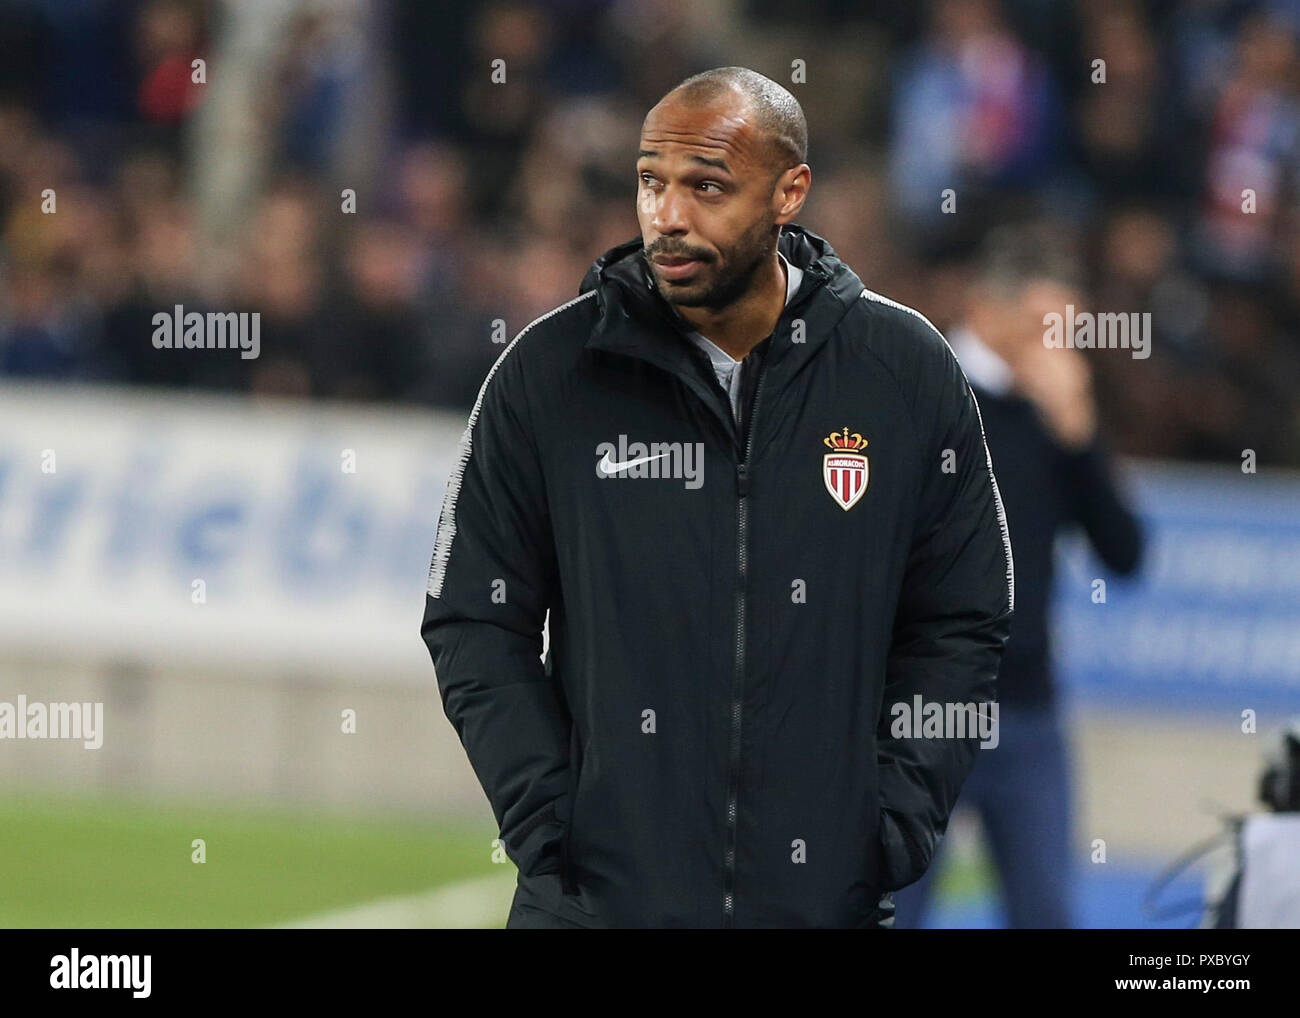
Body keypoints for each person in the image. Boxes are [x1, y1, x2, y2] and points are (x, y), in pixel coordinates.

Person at [420, 66, 1014, 929]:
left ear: (789, 192)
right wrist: (552, 818)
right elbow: (473, 618)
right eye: (651, 183)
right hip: (593, 907)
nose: (669, 215)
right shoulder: (548, 376)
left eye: (707, 187)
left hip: (819, 903)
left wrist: (892, 820)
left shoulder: (904, 374)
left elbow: (962, 619)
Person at [892, 231, 1145, 929]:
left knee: (1046, 912)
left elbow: (1124, 554)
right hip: (921, 712)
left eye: (1067, 328)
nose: (1058, 345)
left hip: (1030, 708)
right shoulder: (918, 391)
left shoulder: (1057, 415)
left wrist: (1080, 435)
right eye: (1043, 325)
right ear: (988, 311)